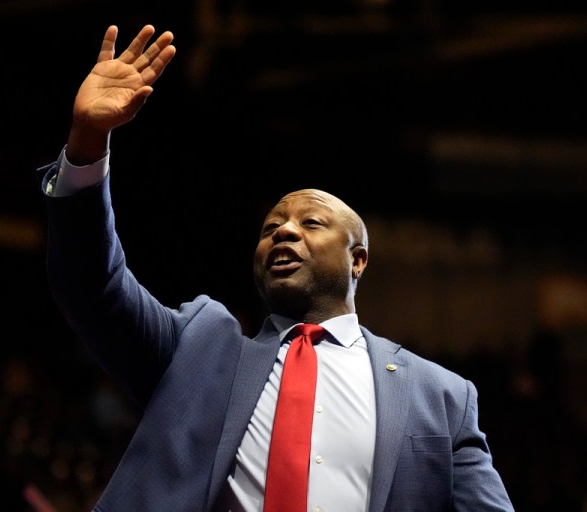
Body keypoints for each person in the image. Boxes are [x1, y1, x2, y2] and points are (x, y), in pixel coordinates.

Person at [37, 23, 515, 512]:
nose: (284, 231)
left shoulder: (440, 396)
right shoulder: (198, 350)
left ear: (358, 260)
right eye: (271, 227)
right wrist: (88, 142)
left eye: (311, 223)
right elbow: (92, 283)